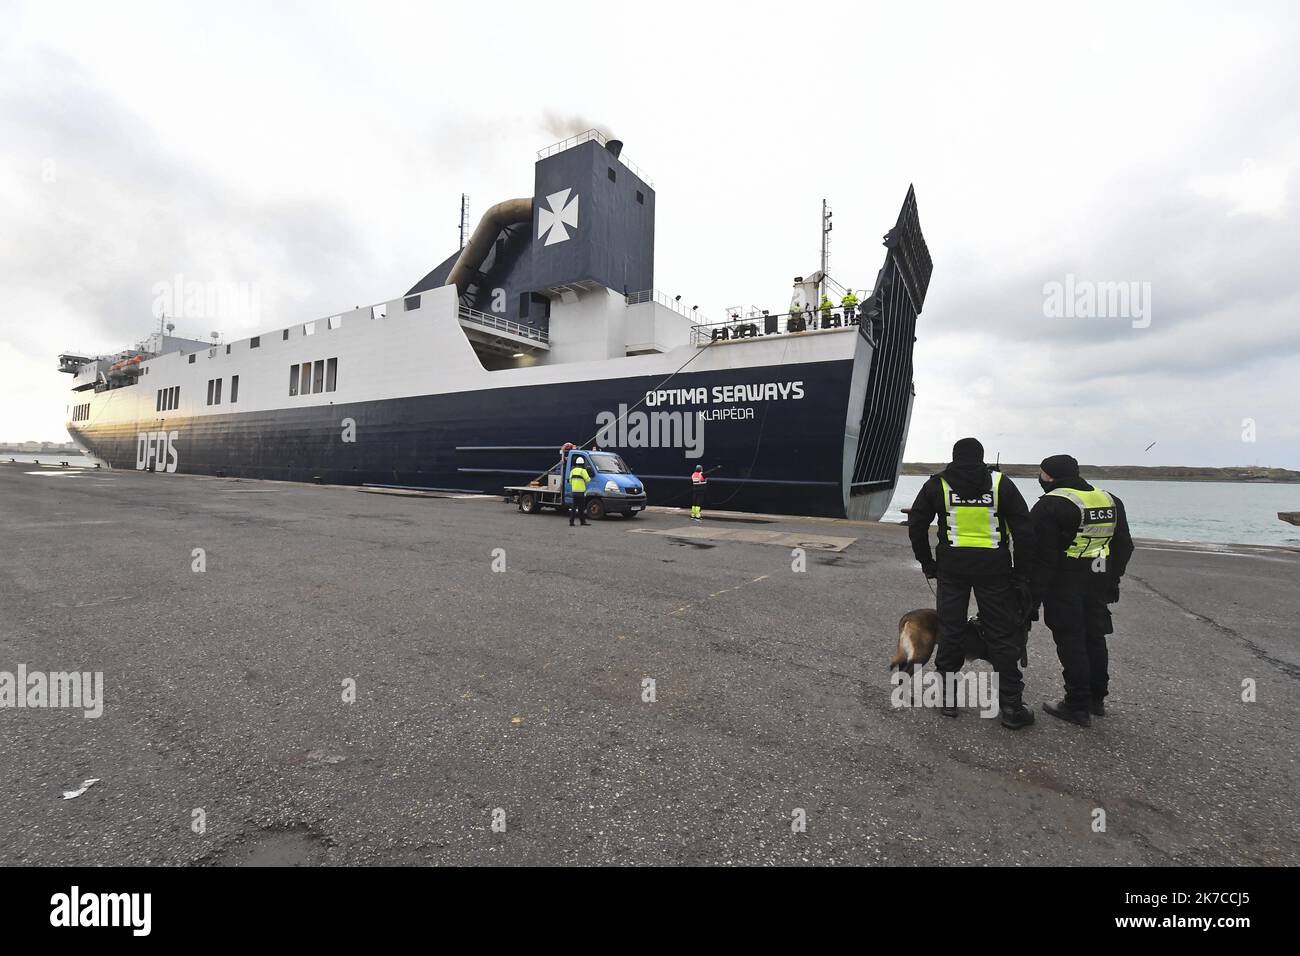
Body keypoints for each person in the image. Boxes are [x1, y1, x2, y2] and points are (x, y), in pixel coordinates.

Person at [907, 437, 1036, 729]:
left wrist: (928, 563)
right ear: (981, 457)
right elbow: (1025, 532)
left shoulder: (937, 485)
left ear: (953, 457)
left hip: (952, 569)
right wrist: (1021, 573)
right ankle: (1012, 708)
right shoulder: (1001, 484)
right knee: (1001, 635)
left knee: (951, 630)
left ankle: (947, 701)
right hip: (995, 570)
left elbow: (916, 525)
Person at [1030, 454, 1134, 726]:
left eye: (1041, 473)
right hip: (1098, 578)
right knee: (1095, 636)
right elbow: (1124, 545)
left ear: (1048, 476)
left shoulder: (1050, 505)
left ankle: (1076, 705)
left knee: (1071, 639)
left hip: (1064, 582)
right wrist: (1113, 579)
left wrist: (1032, 595)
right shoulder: (1110, 499)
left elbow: (1039, 556)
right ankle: (1096, 699)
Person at [568, 455, 591, 527]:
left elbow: (570, 481)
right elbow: (588, 480)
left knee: (573, 508)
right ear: (582, 464)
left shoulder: (572, 471)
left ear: (577, 463)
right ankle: (582, 521)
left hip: (574, 492)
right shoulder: (583, 471)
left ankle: (571, 522)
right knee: (581, 508)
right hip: (581, 492)